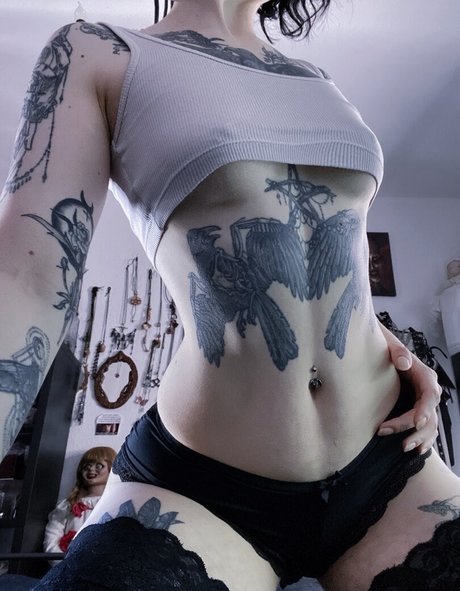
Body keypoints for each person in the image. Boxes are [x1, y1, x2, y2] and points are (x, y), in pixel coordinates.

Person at [0, 0, 455, 589]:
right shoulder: (99, 51)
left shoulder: (317, 81)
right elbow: (27, 281)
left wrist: (396, 348)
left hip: (389, 461)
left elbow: (327, 259)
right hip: (203, 487)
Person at [43, 446, 116, 561]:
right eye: (87, 466)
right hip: (67, 566)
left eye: (99, 466)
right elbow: (51, 540)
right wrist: (63, 565)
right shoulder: (67, 506)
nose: (91, 469)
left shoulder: (116, 504)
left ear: (111, 469)